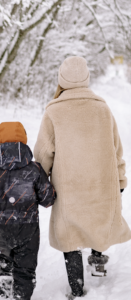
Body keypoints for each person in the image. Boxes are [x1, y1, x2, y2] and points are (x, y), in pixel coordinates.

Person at [34, 56, 131, 299]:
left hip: (69, 187)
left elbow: (44, 152)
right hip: (100, 183)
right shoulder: (102, 108)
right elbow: (116, 149)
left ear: (61, 79)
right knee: (98, 220)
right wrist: (120, 179)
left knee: (71, 235)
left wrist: (39, 181)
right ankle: (98, 259)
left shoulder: (54, 111)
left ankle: (76, 288)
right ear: (87, 77)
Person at [0, 122, 57, 300]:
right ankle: (21, 295)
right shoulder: (34, 170)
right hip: (28, 229)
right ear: (24, 140)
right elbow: (47, 200)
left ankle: (6, 287)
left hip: (2, 228)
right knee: (25, 269)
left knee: (6, 258)